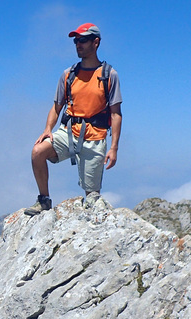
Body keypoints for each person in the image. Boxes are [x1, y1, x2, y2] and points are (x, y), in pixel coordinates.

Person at [26, 22, 122, 215]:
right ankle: (44, 200)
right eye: (76, 41)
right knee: (38, 152)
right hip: (68, 133)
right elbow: (57, 106)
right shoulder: (68, 74)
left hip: (94, 138)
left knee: (92, 197)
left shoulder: (108, 75)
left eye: (83, 40)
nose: (78, 44)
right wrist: (47, 129)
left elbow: (115, 113)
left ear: (96, 42)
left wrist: (113, 148)